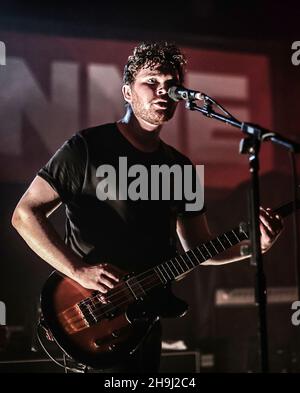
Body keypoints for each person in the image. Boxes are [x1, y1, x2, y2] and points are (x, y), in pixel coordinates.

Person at [11, 42, 283, 373]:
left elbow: (200, 249)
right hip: (92, 313)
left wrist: (255, 245)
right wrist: (77, 270)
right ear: (127, 91)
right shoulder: (86, 148)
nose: (163, 91)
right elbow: (24, 214)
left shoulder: (182, 168)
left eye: (171, 85)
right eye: (151, 82)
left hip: (145, 323)